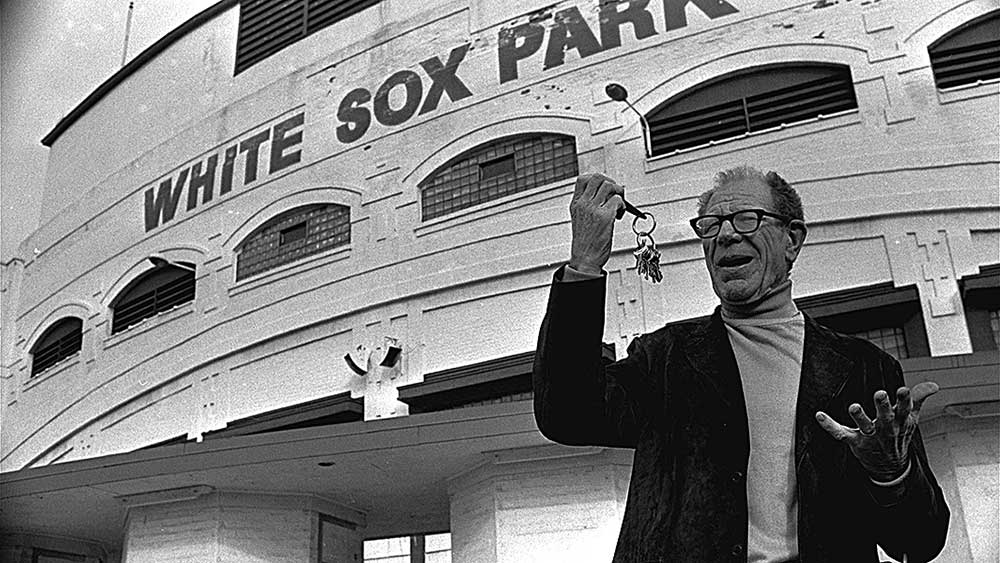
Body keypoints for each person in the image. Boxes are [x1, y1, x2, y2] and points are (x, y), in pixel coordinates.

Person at [532, 167, 949, 563]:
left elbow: (920, 541)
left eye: (746, 218)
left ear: (792, 239)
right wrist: (584, 266)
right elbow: (566, 415)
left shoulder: (865, 371)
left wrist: (891, 473)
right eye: (710, 225)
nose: (726, 234)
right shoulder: (666, 358)